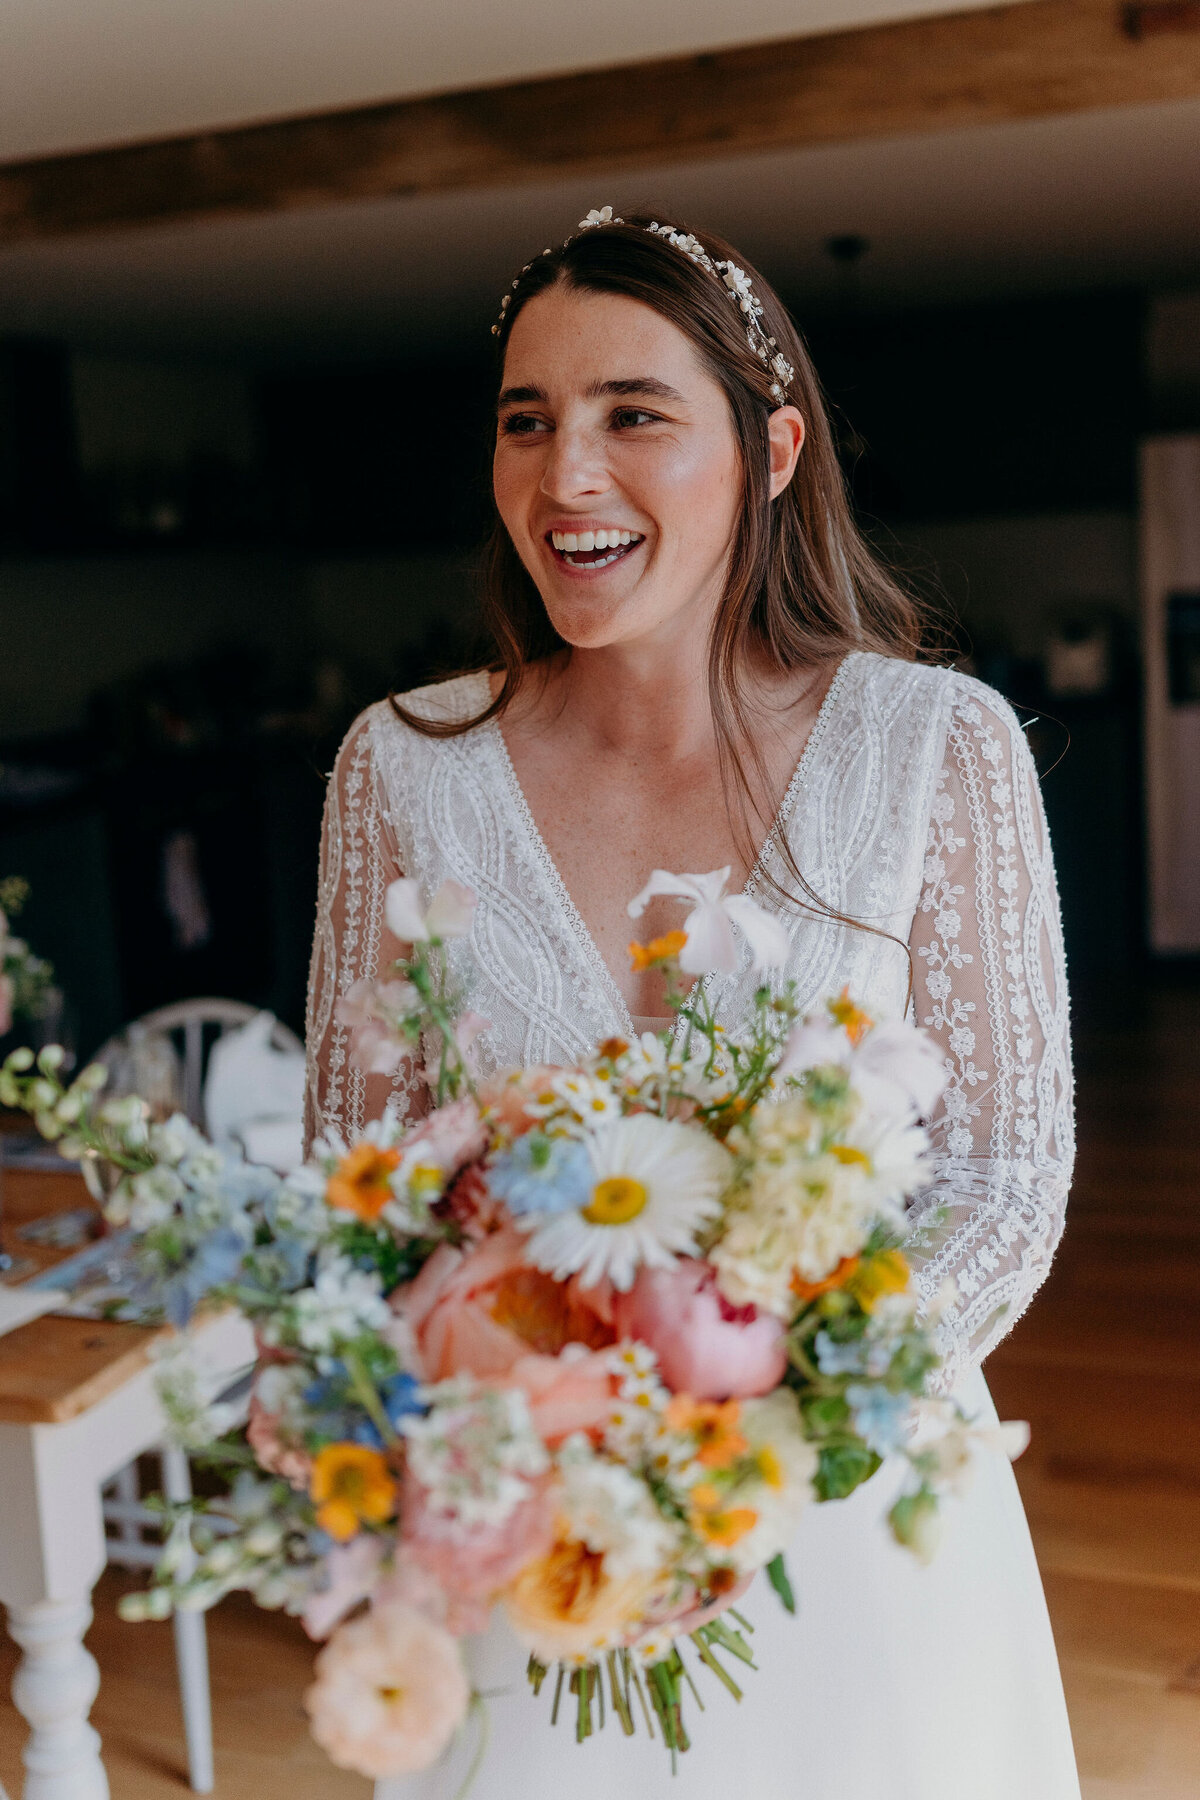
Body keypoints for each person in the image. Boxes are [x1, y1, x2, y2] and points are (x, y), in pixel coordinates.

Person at [305, 209, 1078, 1799]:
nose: (566, 476)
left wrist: (742, 1427)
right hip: (532, 1547)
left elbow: (1004, 1180)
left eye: (632, 415)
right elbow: (353, 1179)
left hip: (849, 1528)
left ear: (772, 450)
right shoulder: (402, 767)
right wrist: (524, 1430)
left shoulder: (939, 748)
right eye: (528, 420)